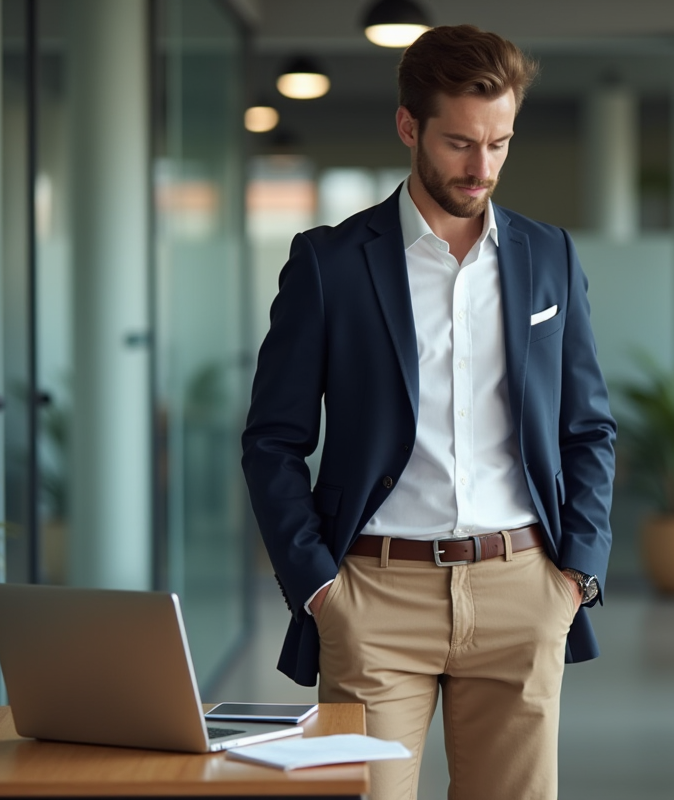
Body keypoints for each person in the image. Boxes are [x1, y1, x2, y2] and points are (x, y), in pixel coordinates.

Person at [241, 24, 615, 800]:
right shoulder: (327, 263)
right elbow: (273, 441)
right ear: (409, 126)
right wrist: (317, 587)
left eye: (499, 144)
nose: (482, 168)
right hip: (373, 595)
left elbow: (588, 426)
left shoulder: (550, 258)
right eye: (459, 144)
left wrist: (577, 571)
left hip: (523, 587)